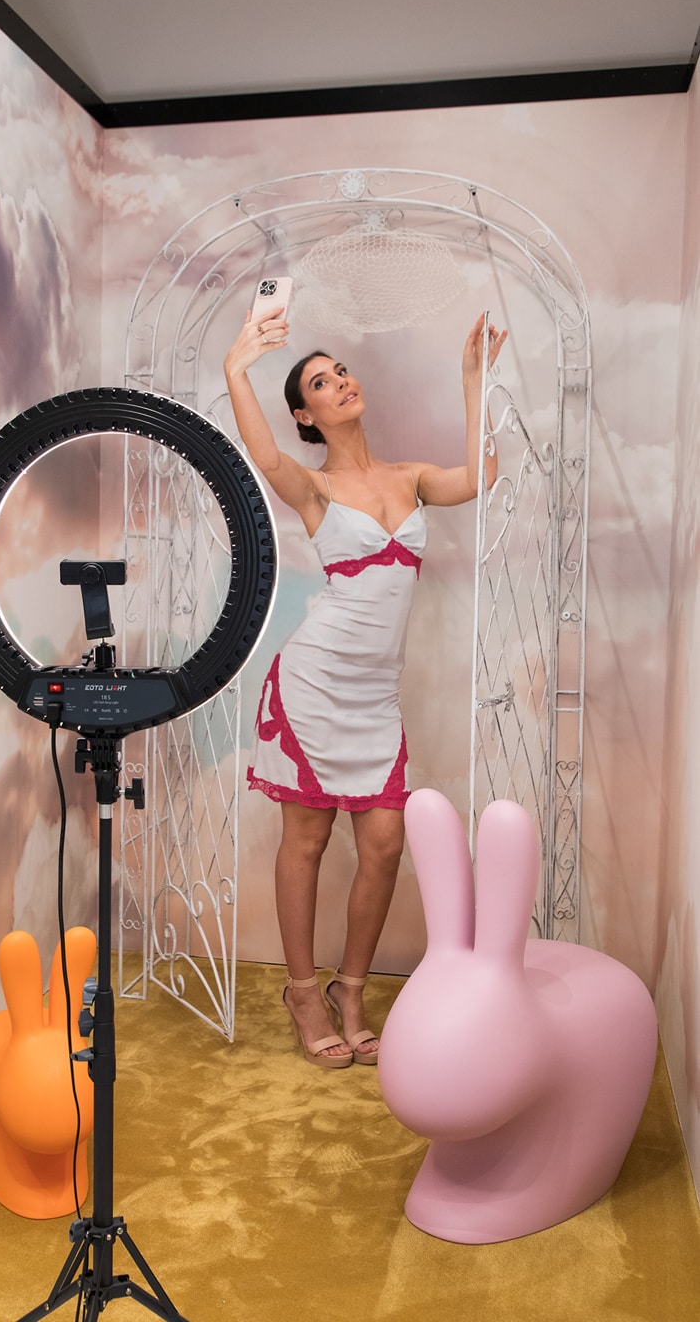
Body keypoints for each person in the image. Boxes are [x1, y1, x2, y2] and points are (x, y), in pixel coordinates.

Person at [223, 305, 507, 1069]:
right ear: (303, 414)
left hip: (375, 698)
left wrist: (472, 381)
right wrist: (234, 369)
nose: (340, 382)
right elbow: (262, 458)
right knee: (307, 840)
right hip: (313, 684)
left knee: (382, 845)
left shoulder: (410, 478)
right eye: (320, 382)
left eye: (340, 371)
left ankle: (350, 990)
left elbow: (480, 476)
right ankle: (302, 992)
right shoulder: (312, 488)